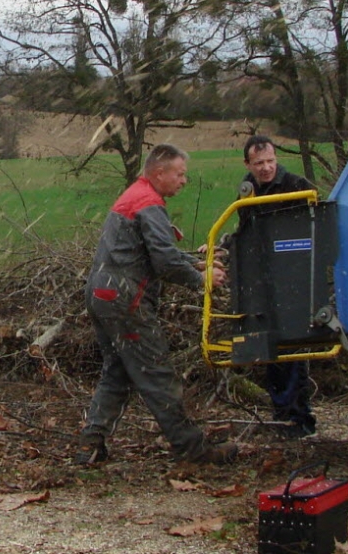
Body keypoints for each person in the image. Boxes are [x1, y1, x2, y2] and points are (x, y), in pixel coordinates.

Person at [76, 144, 238, 466]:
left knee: (118, 372)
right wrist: (201, 280)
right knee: (156, 372)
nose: (183, 181)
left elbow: (156, 252)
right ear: (159, 173)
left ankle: (90, 445)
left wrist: (199, 263)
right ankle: (191, 448)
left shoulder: (136, 195)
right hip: (125, 298)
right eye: (179, 174)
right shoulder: (149, 203)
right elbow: (164, 261)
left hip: (100, 292)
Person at [235, 135, 318, 439]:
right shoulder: (247, 190)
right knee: (270, 351)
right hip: (263, 281)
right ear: (248, 165)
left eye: (270, 161)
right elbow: (243, 231)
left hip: (294, 277)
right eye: (259, 164)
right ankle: (281, 415)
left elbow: (315, 225)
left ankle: (299, 418)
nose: (266, 168)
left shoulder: (297, 185)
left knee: (293, 351)